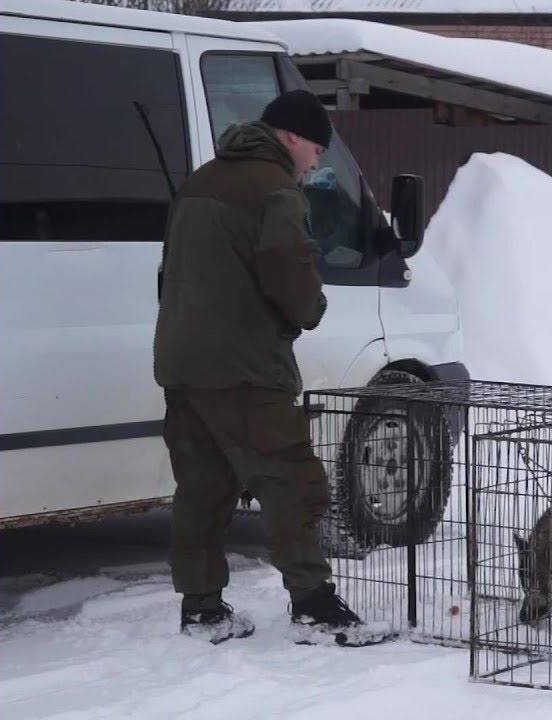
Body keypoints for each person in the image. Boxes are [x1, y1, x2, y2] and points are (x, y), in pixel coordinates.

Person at [154, 90, 367, 644]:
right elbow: (291, 278)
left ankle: (201, 609)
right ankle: (315, 606)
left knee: (202, 487)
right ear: (291, 136)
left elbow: (167, 273)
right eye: (316, 148)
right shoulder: (275, 190)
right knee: (291, 481)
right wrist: (313, 308)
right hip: (245, 367)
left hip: (182, 361)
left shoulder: (199, 181)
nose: (316, 162)